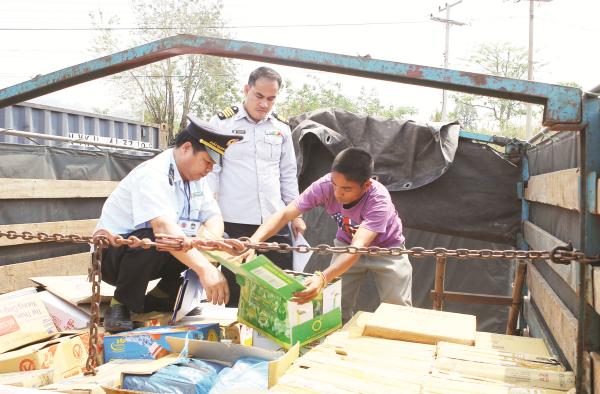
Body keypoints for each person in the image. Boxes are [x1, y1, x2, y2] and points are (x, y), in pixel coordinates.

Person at [95, 116, 242, 332]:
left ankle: (162, 297)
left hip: (159, 251)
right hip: (114, 256)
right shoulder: (154, 173)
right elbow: (163, 229)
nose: (210, 169)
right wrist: (204, 270)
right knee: (152, 239)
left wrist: (210, 245)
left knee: (219, 241)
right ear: (186, 148)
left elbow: (214, 217)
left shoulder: (197, 180)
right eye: (207, 161)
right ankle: (121, 304)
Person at [246, 147, 412, 323]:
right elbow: (285, 214)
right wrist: (253, 242)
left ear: (366, 185)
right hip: (346, 244)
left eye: (346, 189)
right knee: (335, 305)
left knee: (397, 309)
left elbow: (357, 248)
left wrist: (323, 277)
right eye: (334, 184)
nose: (337, 193)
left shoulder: (378, 200)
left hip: (387, 249)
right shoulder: (324, 186)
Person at [207, 66, 305, 306]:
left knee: (279, 291)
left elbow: (288, 173)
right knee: (235, 294)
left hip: (276, 221)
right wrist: (209, 216)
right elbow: (211, 172)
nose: (264, 104)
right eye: (259, 96)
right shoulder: (222, 123)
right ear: (246, 89)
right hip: (234, 220)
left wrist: (296, 215)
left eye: (271, 98)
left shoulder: (281, 128)